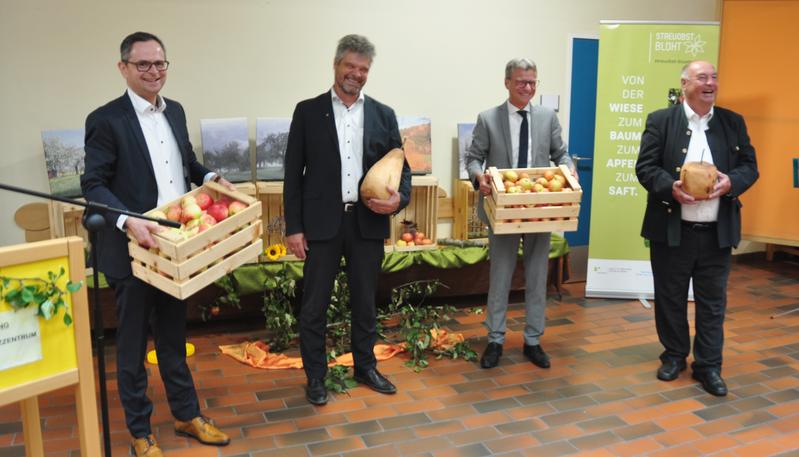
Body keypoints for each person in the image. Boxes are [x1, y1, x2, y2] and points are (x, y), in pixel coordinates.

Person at [81, 32, 233, 456]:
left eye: (160, 64)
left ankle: (186, 415)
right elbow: (92, 183)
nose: (154, 72)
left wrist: (208, 178)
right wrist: (130, 222)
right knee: (130, 350)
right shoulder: (106, 120)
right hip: (131, 249)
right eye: (144, 64)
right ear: (124, 68)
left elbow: (186, 161)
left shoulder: (176, 111)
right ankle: (140, 432)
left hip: (172, 248)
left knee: (172, 338)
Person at [283, 34, 412, 405]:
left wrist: (400, 198)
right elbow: (293, 174)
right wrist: (294, 227)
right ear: (336, 65)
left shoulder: (383, 114)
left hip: (366, 224)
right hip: (322, 224)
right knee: (314, 305)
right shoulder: (307, 111)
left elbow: (403, 168)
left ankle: (365, 366)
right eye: (350, 66)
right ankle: (316, 377)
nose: (356, 74)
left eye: (363, 69)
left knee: (365, 302)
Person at [636, 60, 758, 396]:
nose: (710, 83)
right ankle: (674, 355)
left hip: (717, 233)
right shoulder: (661, 121)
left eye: (715, 77)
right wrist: (670, 187)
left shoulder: (733, 122)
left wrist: (732, 182)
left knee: (712, 303)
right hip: (672, 231)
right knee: (670, 298)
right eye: (702, 77)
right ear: (685, 84)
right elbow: (645, 168)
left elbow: (750, 166)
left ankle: (708, 366)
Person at [465, 58, 576, 370]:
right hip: (503, 211)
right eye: (521, 82)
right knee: (500, 277)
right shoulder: (488, 119)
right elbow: (474, 158)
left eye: (532, 82)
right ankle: (496, 340)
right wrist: (479, 177)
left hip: (539, 211)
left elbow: (561, 153)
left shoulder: (546, 118)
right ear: (507, 83)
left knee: (538, 277)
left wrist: (570, 170)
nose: (528, 87)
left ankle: (533, 340)